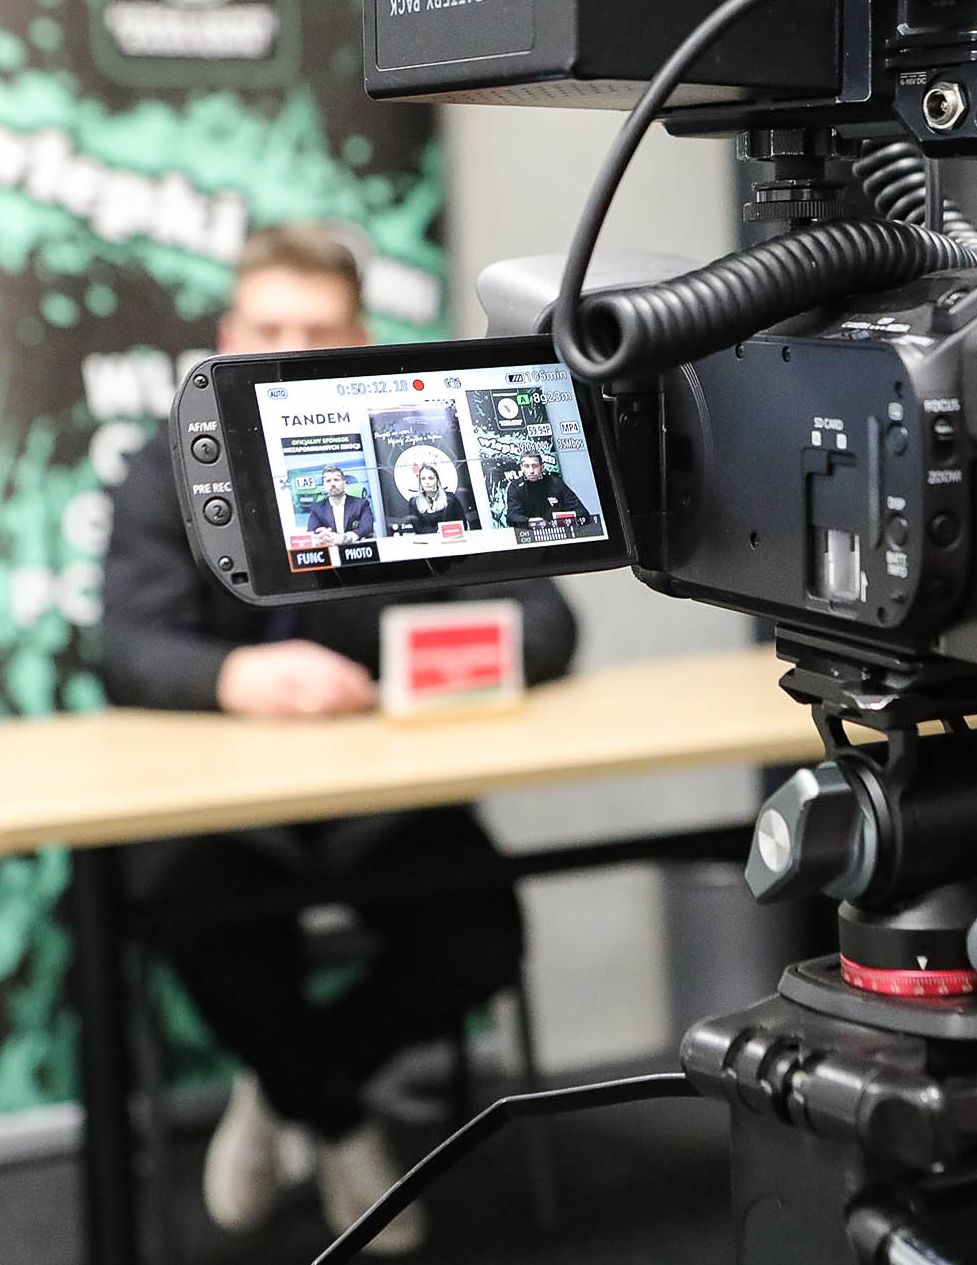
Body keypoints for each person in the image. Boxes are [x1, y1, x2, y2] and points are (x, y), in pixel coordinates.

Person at [100, 225, 578, 1254]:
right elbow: (126, 646)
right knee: (199, 916)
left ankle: (297, 1088)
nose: (293, 350)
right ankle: (338, 1118)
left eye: (319, 332)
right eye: (269, 328)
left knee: (477, 936)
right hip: (225, 812)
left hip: (383, 800)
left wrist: (415, 672)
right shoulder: (166, 469)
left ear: (360, 341)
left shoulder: (426, 444)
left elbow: (546, 626)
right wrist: (233, 677)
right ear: (227, 337)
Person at [503, 451, 586, 528]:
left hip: (558, 529)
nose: (531, 471)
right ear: (521, 468)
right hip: (529, 531)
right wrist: (531, 521)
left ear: (542, 467)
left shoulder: (555, 483)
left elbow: (581, 511)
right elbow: (512, 517)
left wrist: (562, 519)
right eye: (526, 466)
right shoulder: (515, 487)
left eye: (535, 466)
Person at [305, 463, 375, 544]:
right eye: (328, 481)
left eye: (336, 480)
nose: (332, 484)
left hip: (355, 547)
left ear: (344, 483)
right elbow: (311, 531)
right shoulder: (317, 508)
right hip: (329, 547)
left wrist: (344, 538)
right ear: (324, 486)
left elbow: (367, 528)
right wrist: (323, 534)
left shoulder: (361, 504)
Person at [404, 463, 468, 535]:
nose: (427, 482)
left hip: (450, 539)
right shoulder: (414, 503)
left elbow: (462, 524)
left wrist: (445, 531)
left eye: (431, 478)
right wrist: (438, 531)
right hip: (427, 541)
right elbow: (418, 529)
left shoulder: (450, 499)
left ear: (437, 480)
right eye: (423, 479)